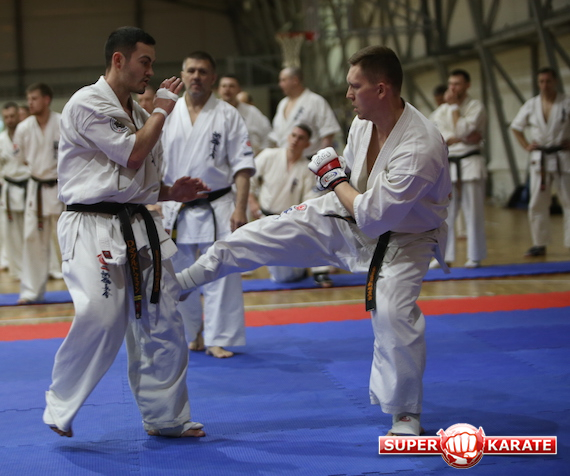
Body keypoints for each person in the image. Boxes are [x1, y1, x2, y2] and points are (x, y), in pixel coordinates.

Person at [176, 46, 451, 436]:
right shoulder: (363, 123)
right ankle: (186, 281)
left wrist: (333, 177)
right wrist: (333, 182)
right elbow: (353, 188)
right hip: (350, 215)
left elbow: (374, 214)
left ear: (381, 89)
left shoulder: (420, 144)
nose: (348, 94)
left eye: (355, 86)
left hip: (406, 238)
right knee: (264, 232)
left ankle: (405, 413)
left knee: (392, 312)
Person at [45, 26, 207, 439]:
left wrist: (171, 192)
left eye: (152, 63)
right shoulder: (87, 102)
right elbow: (133, 154)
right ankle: (60, 406)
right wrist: (163, 111)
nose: (150, 72)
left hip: (138, 223)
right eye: (144, 62)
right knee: (101, 316)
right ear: (119, 60)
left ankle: (167, 417)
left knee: (164, 319)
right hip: (91, 226)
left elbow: (134, 179)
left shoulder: (139, 113)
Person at [160, 51, 255, 359]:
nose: (196, 76)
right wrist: (154, 200)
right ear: (182, 75)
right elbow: (153, 161)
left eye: (203, 71)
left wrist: (240, 208)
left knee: (222, 270)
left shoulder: (228, 115)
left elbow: (242, 166)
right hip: (176, 208)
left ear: (213, 77)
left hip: (219, 204)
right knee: (178, 274)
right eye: (191, 71)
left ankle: (219, 337)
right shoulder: (167, 113)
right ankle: (193, 332)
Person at [248, 124, 323, 283]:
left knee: (285, 277)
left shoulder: (308, 169)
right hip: (263, 218)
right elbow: (248, 179)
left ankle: (303, 269)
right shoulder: (269, 156)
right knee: (277, 274)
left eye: (301, 138)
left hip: (289, 223)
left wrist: (297, 221)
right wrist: (253, 203)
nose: (295, 140)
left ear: (307, 144)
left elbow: (310, 200)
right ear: (288, 137)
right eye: (293, 135)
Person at [511, 67, 570, 257]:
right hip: (540, 159)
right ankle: (539, 243)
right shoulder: (531, 105)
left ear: (555, 82)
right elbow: (516, 127)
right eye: (541, 82)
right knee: (537, 203)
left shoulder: (566, 102)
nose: (545, 85)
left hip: (562, 157)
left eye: (548, 81)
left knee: (568, 201)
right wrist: (526, 145)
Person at [14, 83, 64, 304]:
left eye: (34, 98)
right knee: (32, 239)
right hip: (37, 189)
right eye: (29, 99)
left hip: (61, 187)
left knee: (69, 240)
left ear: (47, 99)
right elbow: (21, 159)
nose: (30, 103)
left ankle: (81, 290)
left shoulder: (63, 122)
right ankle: (31, 292)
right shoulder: (23, 128)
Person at [431, 69, 486, 268]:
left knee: (474, 212)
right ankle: (444, 256)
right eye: (450, 84)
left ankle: (475, 256)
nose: (453, 88)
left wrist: (455, 110)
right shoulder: (441, 111)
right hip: (450, 165)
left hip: (471, 164)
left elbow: (462, 129)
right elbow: (437, 136)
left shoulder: (476, 107)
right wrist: (461, 137)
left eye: (457, 84)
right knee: (446, 213)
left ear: (467, 85)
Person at [268, 67, 342, 157]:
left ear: (295, 80)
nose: (280, 84)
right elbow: (276, 137)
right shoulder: (282, 104)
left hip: (310, 157)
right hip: (285, 158)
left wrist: (322, 159)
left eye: (283, 80)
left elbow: (328, 133)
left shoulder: (316, 101)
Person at [0, 101, 28, 278]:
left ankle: (43, 269)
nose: (10, 120)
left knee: (34, 231)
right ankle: (16, 269)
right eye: (6, 117)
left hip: (30, 187)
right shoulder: (0, 140)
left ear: (18, 116)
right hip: (10, 188)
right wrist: (3, 182)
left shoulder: (28, 135)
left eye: (13, 116)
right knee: (11, 233)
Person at [218, 74, 272, 155]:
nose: (227, 89)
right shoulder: (211, 112)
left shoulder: (252, 111)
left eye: (232, 86)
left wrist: (262, 155)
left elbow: (267, 136)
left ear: (239, 89)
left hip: (252, 158)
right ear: (218, 89)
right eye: (224, 86)